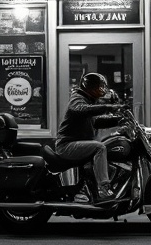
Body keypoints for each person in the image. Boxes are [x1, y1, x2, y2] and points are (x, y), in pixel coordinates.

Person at [55, 72, 122, 203]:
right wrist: (109, 107)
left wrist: (118, 120)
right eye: (99, 86)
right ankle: (103, 188)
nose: (101, 89)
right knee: (99, 148)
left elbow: (96, 122)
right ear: (89, 86)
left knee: (103, 146)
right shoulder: (77, 97)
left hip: (76, 144)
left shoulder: (89, 101)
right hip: (67, 145)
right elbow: (80, 109)